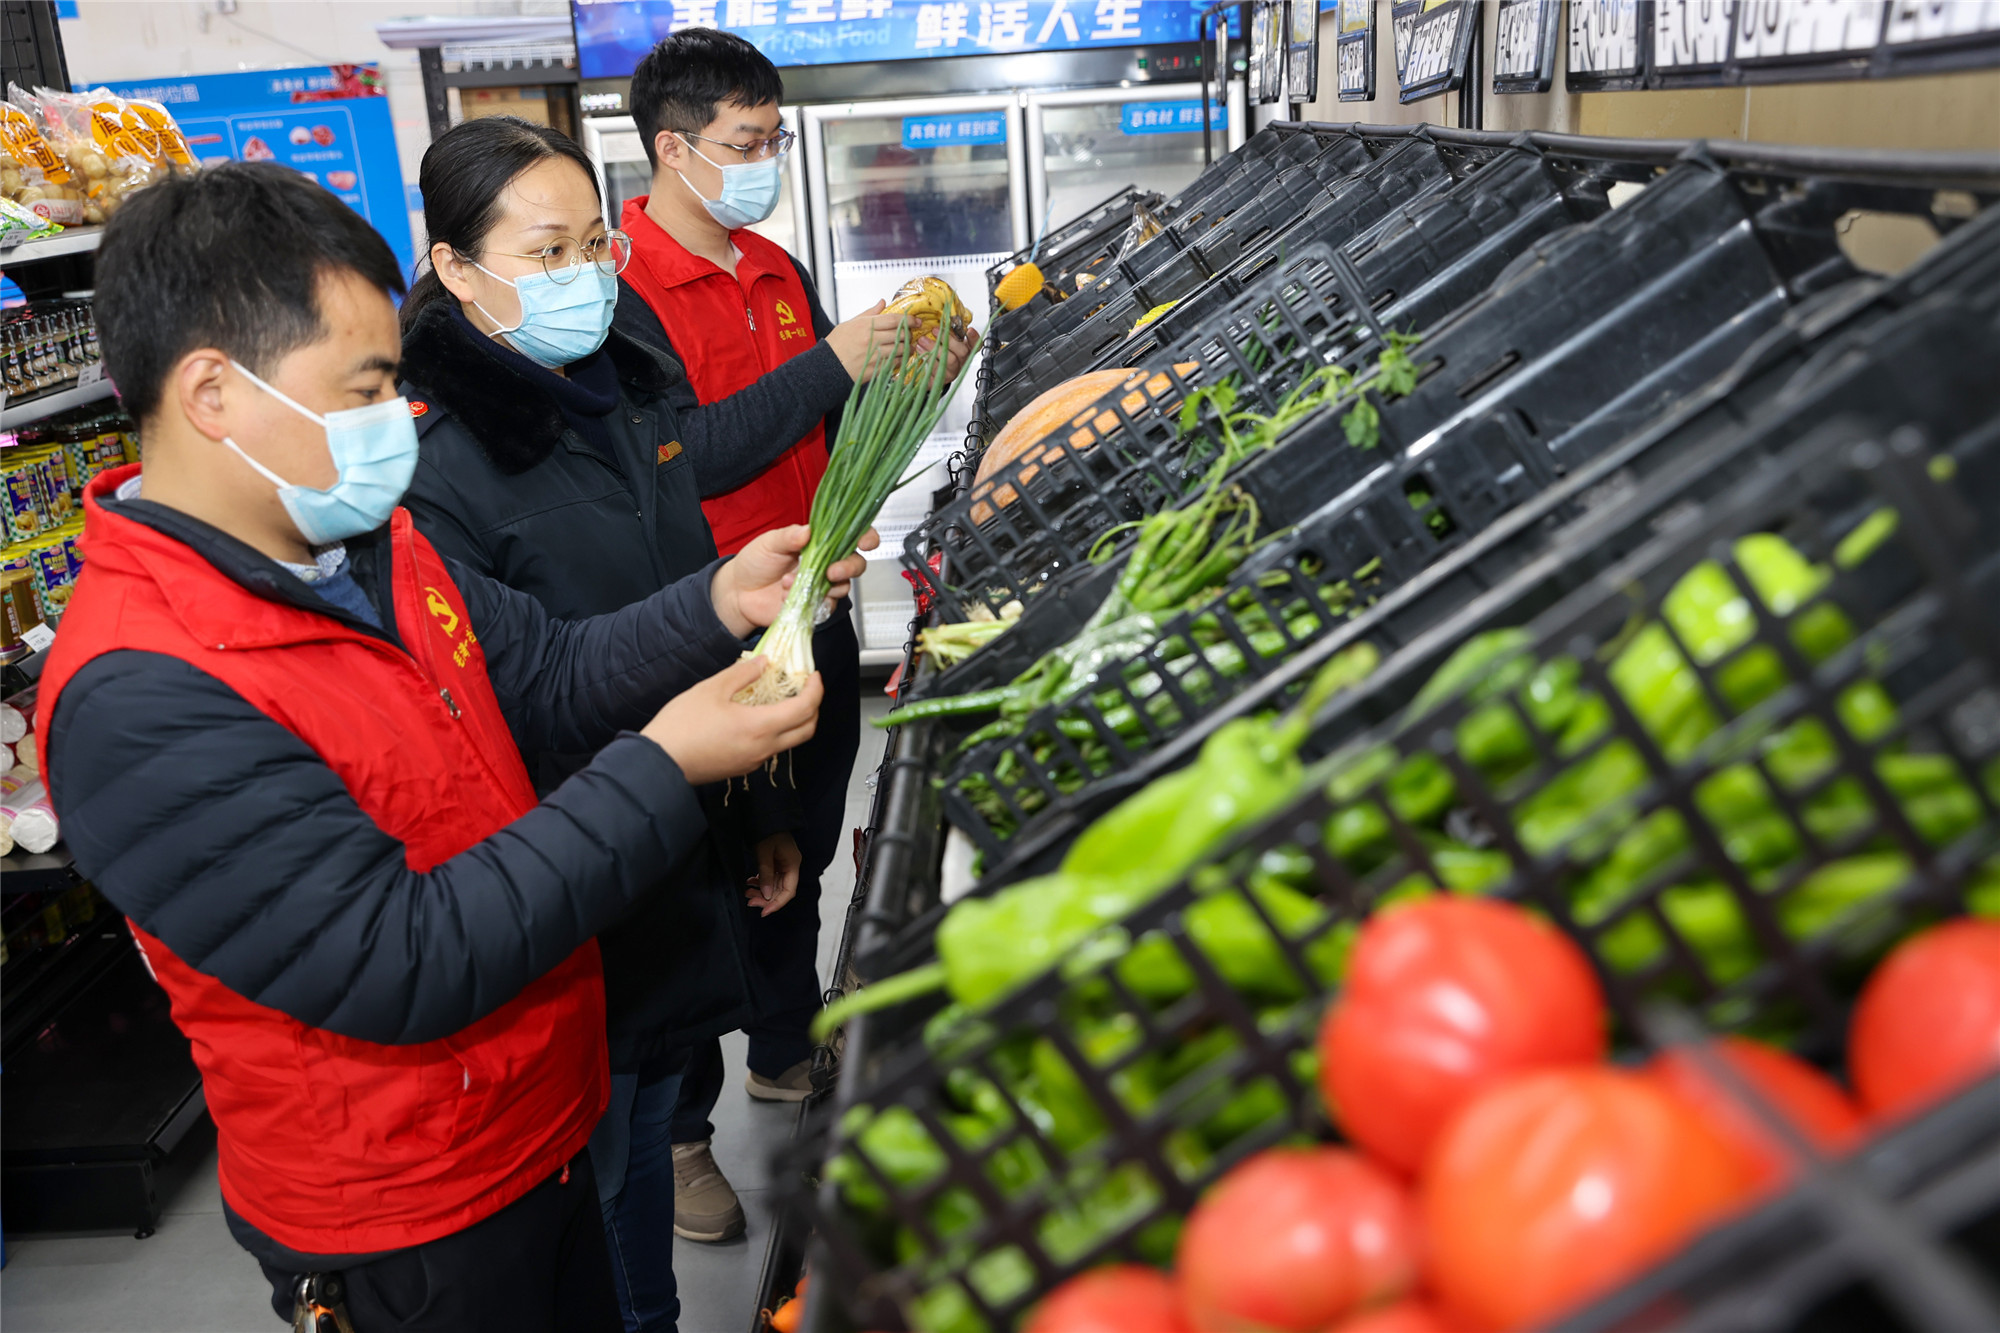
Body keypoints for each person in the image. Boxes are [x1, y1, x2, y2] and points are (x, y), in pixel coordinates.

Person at [36, 161, 866, 1332]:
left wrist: (719, 601)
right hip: (409, 1216)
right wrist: (667, 763)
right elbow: (400, 956)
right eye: (367, 386)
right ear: (213, 392)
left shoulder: (368, 547)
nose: (397, 420)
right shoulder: (142, 689)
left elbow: (551, 670)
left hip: (547, 1114)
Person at [394, 115, 805, 1333]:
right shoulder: (433, 463)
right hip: (570, 870)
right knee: (610, 1189)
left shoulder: (625, 384)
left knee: (655, 1107)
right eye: (545, 253)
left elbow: (687, 586)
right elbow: (532, 686)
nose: (583, 276)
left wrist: (758, 809)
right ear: (456, 269)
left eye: (593, 245)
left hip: (687, 825)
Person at [614, 26, 973, 1243]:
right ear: (672, 145)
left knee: (794, 850)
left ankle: (780, 1048)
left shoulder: (772, 263)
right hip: (696, 623)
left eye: (773, 139)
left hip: (809, 604)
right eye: (743, 143)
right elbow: (687, 456)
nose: (764, 160)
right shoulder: (620, 293)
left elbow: (818, 426)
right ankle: (675, 1138)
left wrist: (910, 374)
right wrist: (831, 362)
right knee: (691, 874)